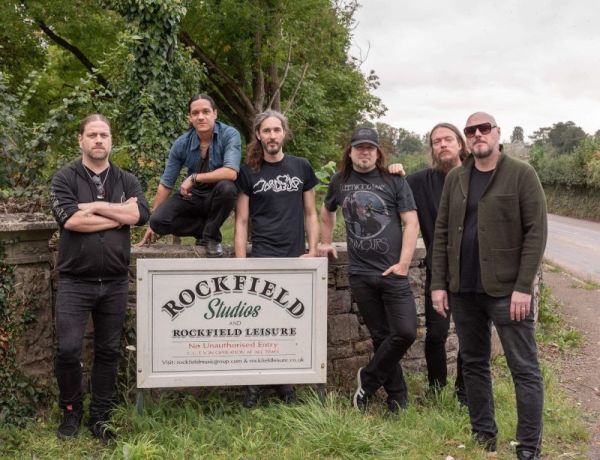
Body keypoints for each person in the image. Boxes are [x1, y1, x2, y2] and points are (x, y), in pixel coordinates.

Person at [431, 112, 547, 459]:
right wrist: (438, 284)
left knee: (524, 369)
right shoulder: (456, 178)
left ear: (497, 133)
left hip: (508, 291)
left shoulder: (521, 174)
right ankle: (484, 436)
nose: (478, 134)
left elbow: (536, 232)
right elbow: (442, 232)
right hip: (464, 290)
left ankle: (528, 448)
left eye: (484, 129)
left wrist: (523, 286)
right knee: (473, 363)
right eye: (472, 130)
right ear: (466, 138)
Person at [50, 114, 150, 442]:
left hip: (115, 281)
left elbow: (140, 214)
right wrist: (118, 216)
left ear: (111, 140)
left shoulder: (126, 179)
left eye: (103, 135)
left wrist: (94, 207)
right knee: (68, 349)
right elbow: (72, 221)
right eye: (92, 134)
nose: (98, 140)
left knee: (108, 351)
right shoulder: (64, 178)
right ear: (80, 139)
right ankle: (71, 410)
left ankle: (101, 416)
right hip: (75, 281)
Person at [319, 127, 419, 413]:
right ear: (350, 152)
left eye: (370, 148)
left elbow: (411, 223)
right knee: (380, 336)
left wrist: (404, 264)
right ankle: (397, 398)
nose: (364, 152)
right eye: (359, 147)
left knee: (405, 332)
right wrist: (325, 242)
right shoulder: (339, 181)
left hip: (393, 272)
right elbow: (327, 212)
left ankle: (369, 378)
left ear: (377, 153)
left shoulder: (394, 180)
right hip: (360, 275)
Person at [234, 110, 319, 408]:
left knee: (289, 323)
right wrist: (241, 261)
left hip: (294, 257)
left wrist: (313, 250)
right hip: (262, 256)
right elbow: (241, 221)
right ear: (259, 135)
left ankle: (286, 384)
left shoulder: (301, 167)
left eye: (277, 130)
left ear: (284, 133)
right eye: (267, 131)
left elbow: (311, 213)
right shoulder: (248, 172)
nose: (272, 136)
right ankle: (253, 385)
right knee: (257, 324)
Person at [404, 123, 467, 403]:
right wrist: (393, 170)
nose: (442, 144)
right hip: (439, 271)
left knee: (470, 337)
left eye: (447, 139)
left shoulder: (476, 176)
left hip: (474, 271)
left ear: (460, 144)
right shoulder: (420, 182)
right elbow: (390, 189)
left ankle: (465, 392)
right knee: (436, 334)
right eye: (436, 141)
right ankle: (437, 390)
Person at [137, 94, 241, 257]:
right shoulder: (182, 143)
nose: (201, 117)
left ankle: (211, 238)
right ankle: (204, 230)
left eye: (206, 111)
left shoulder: (229, 134)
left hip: (217, 196)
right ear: (190, 118)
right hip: (192, 196)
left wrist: (194, 178)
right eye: (195, 113)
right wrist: (152, 224)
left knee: (227, 188)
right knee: (158, 221)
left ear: (215, 114)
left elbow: (231, 172)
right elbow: (166, 183)